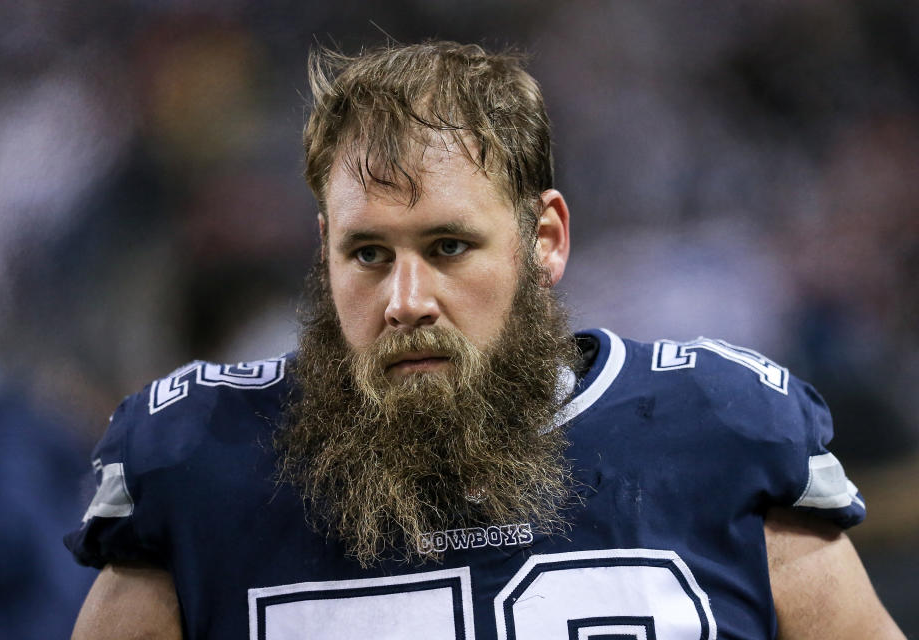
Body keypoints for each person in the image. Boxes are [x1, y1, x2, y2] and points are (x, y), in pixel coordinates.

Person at [66, 41, 905, 639]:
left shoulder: (721, 434)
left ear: (545, 239)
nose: (405, 301)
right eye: (366, 253)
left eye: (448, 247)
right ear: (323, 250)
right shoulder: (198, 467)